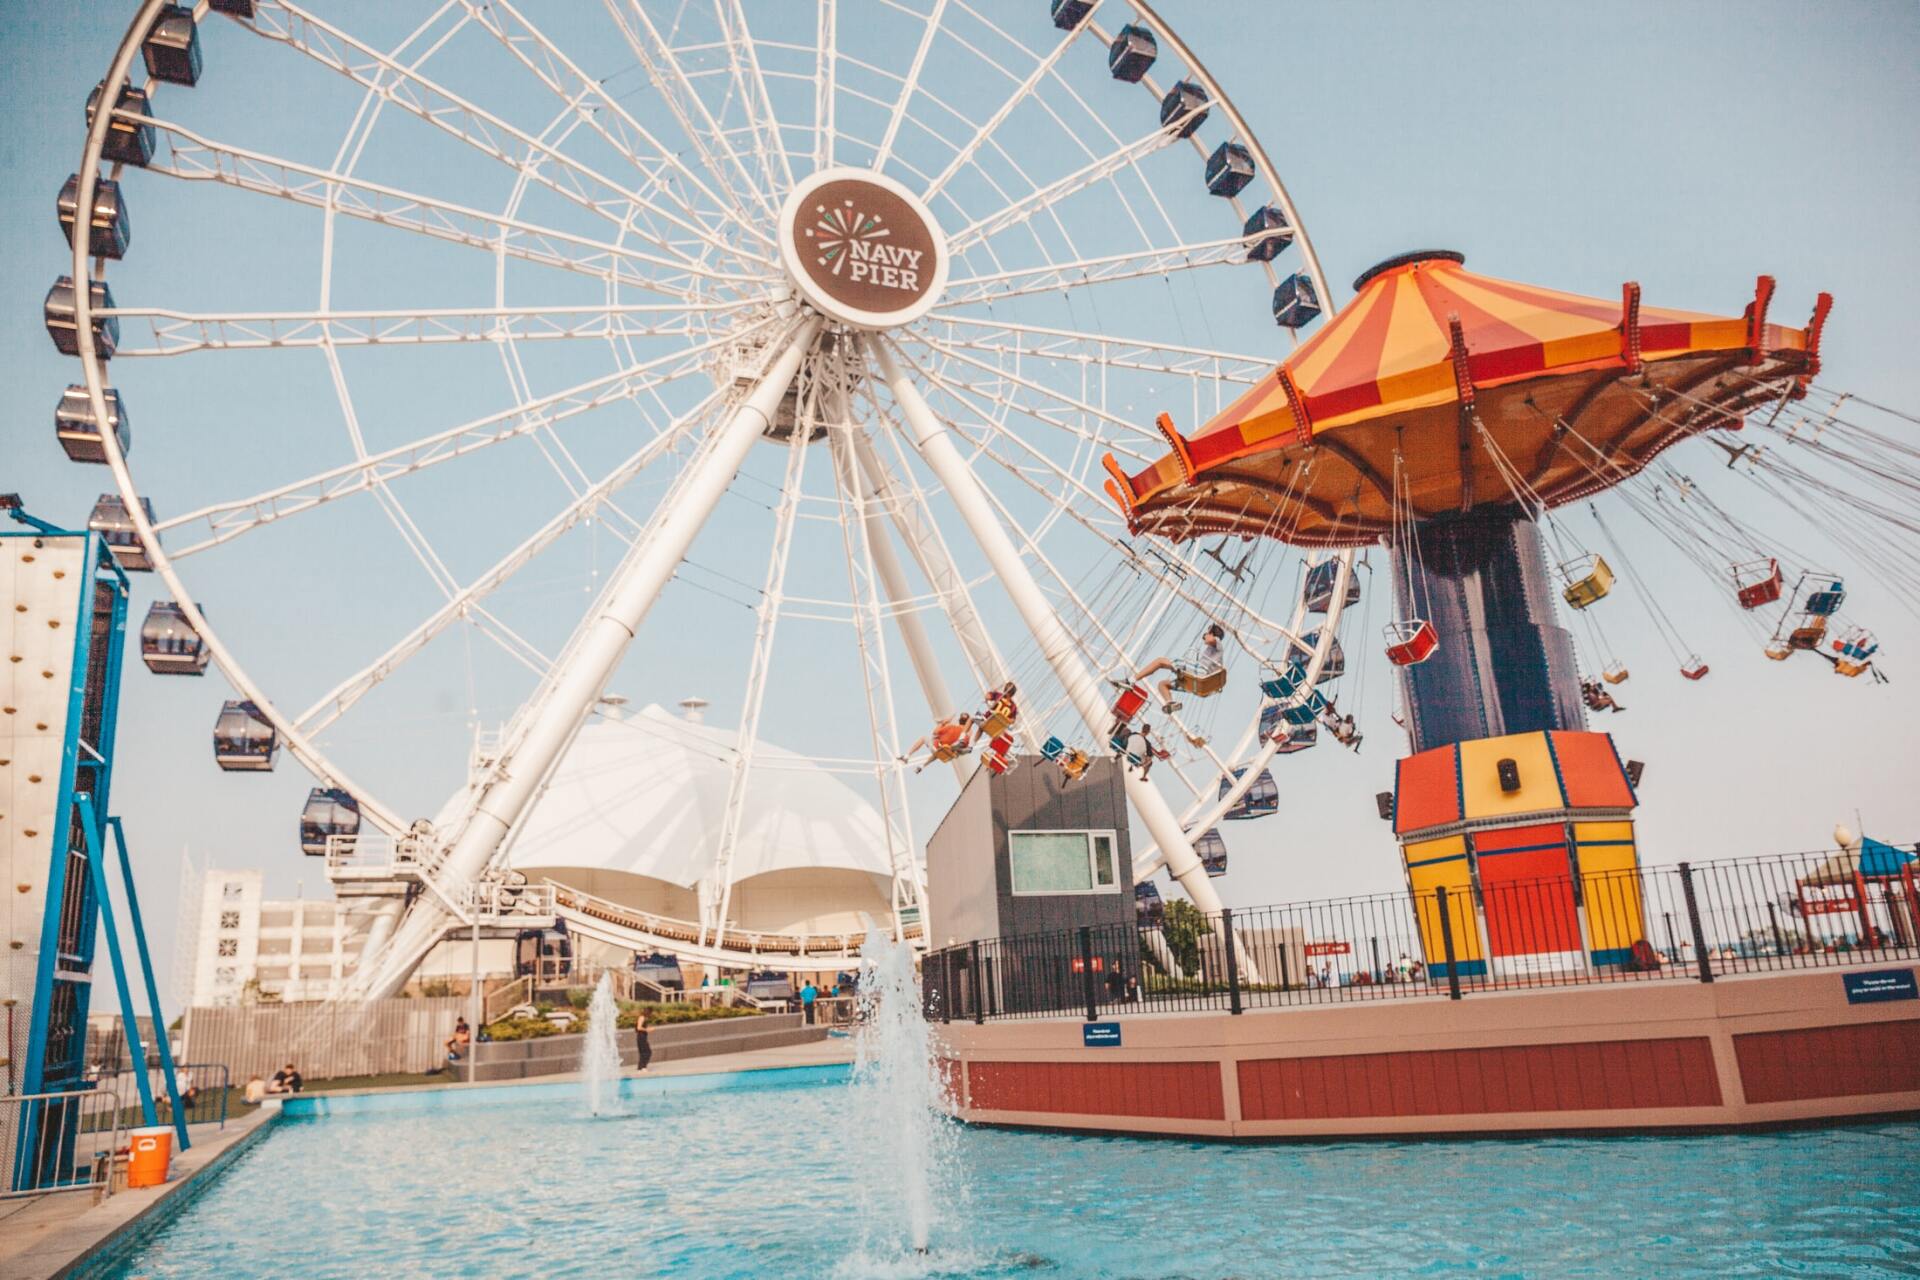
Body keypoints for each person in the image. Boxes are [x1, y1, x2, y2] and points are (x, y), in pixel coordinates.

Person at [1133, 622, 1226, 714]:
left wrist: (1208, 635)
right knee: (1162, 684)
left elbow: (1213, 639)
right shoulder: (1209, 649)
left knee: (1160, 661)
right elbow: (1209, 640)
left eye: (1208, 633)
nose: (1205, 635)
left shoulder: (1219, 646)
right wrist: (1207, 636)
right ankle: (1170, 703)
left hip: (1201, 673)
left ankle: (1132, 680)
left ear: (1212, 634)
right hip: (1195, 684)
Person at [901, 713, 973, 772]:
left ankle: (907, 756)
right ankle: (922, 766)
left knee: (924, 738)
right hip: (949, 753)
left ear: (959, 720)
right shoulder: (965, 736)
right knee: (940, 751)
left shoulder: (952, 727)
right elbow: (965, 746)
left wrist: (943, 723)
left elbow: (935, 732)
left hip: (940, 748)